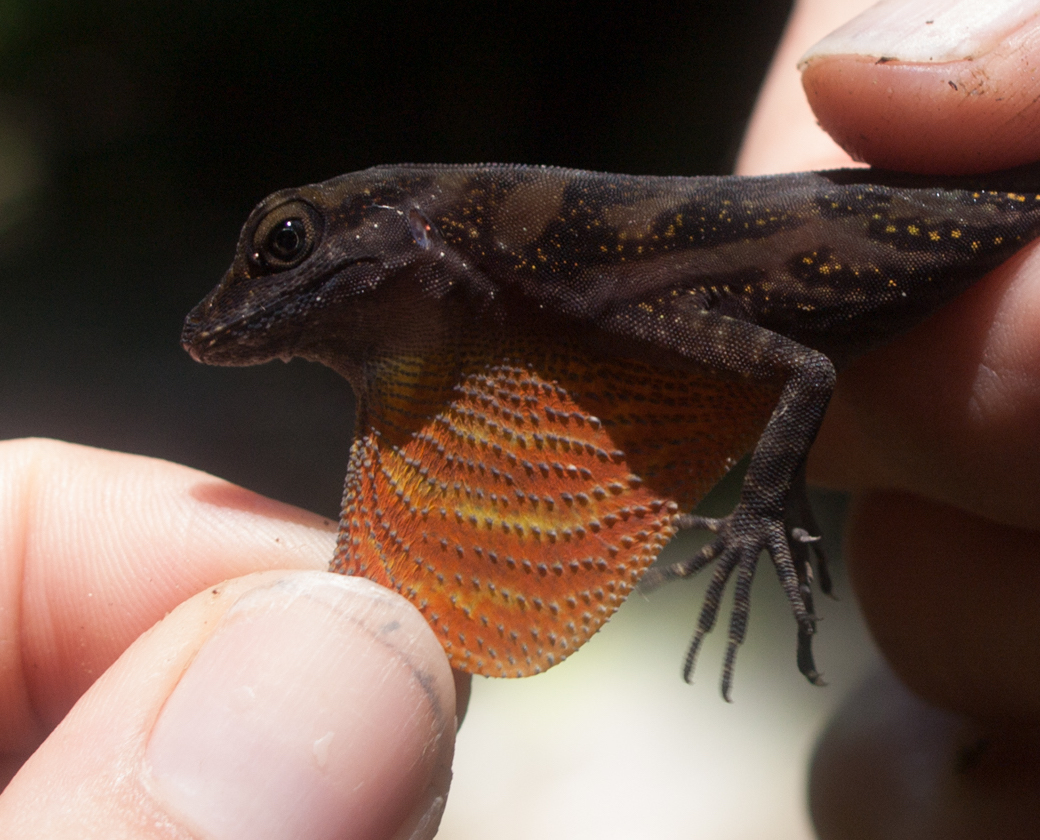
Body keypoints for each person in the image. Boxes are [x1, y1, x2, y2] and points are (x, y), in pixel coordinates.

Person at [2, 0, 1039, 836]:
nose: (241, 302)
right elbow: (800, 369)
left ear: (411, 230)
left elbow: (801, 370)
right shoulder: (602, 293)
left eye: (287, 246)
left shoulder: (613, 291)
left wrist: (762, 507)